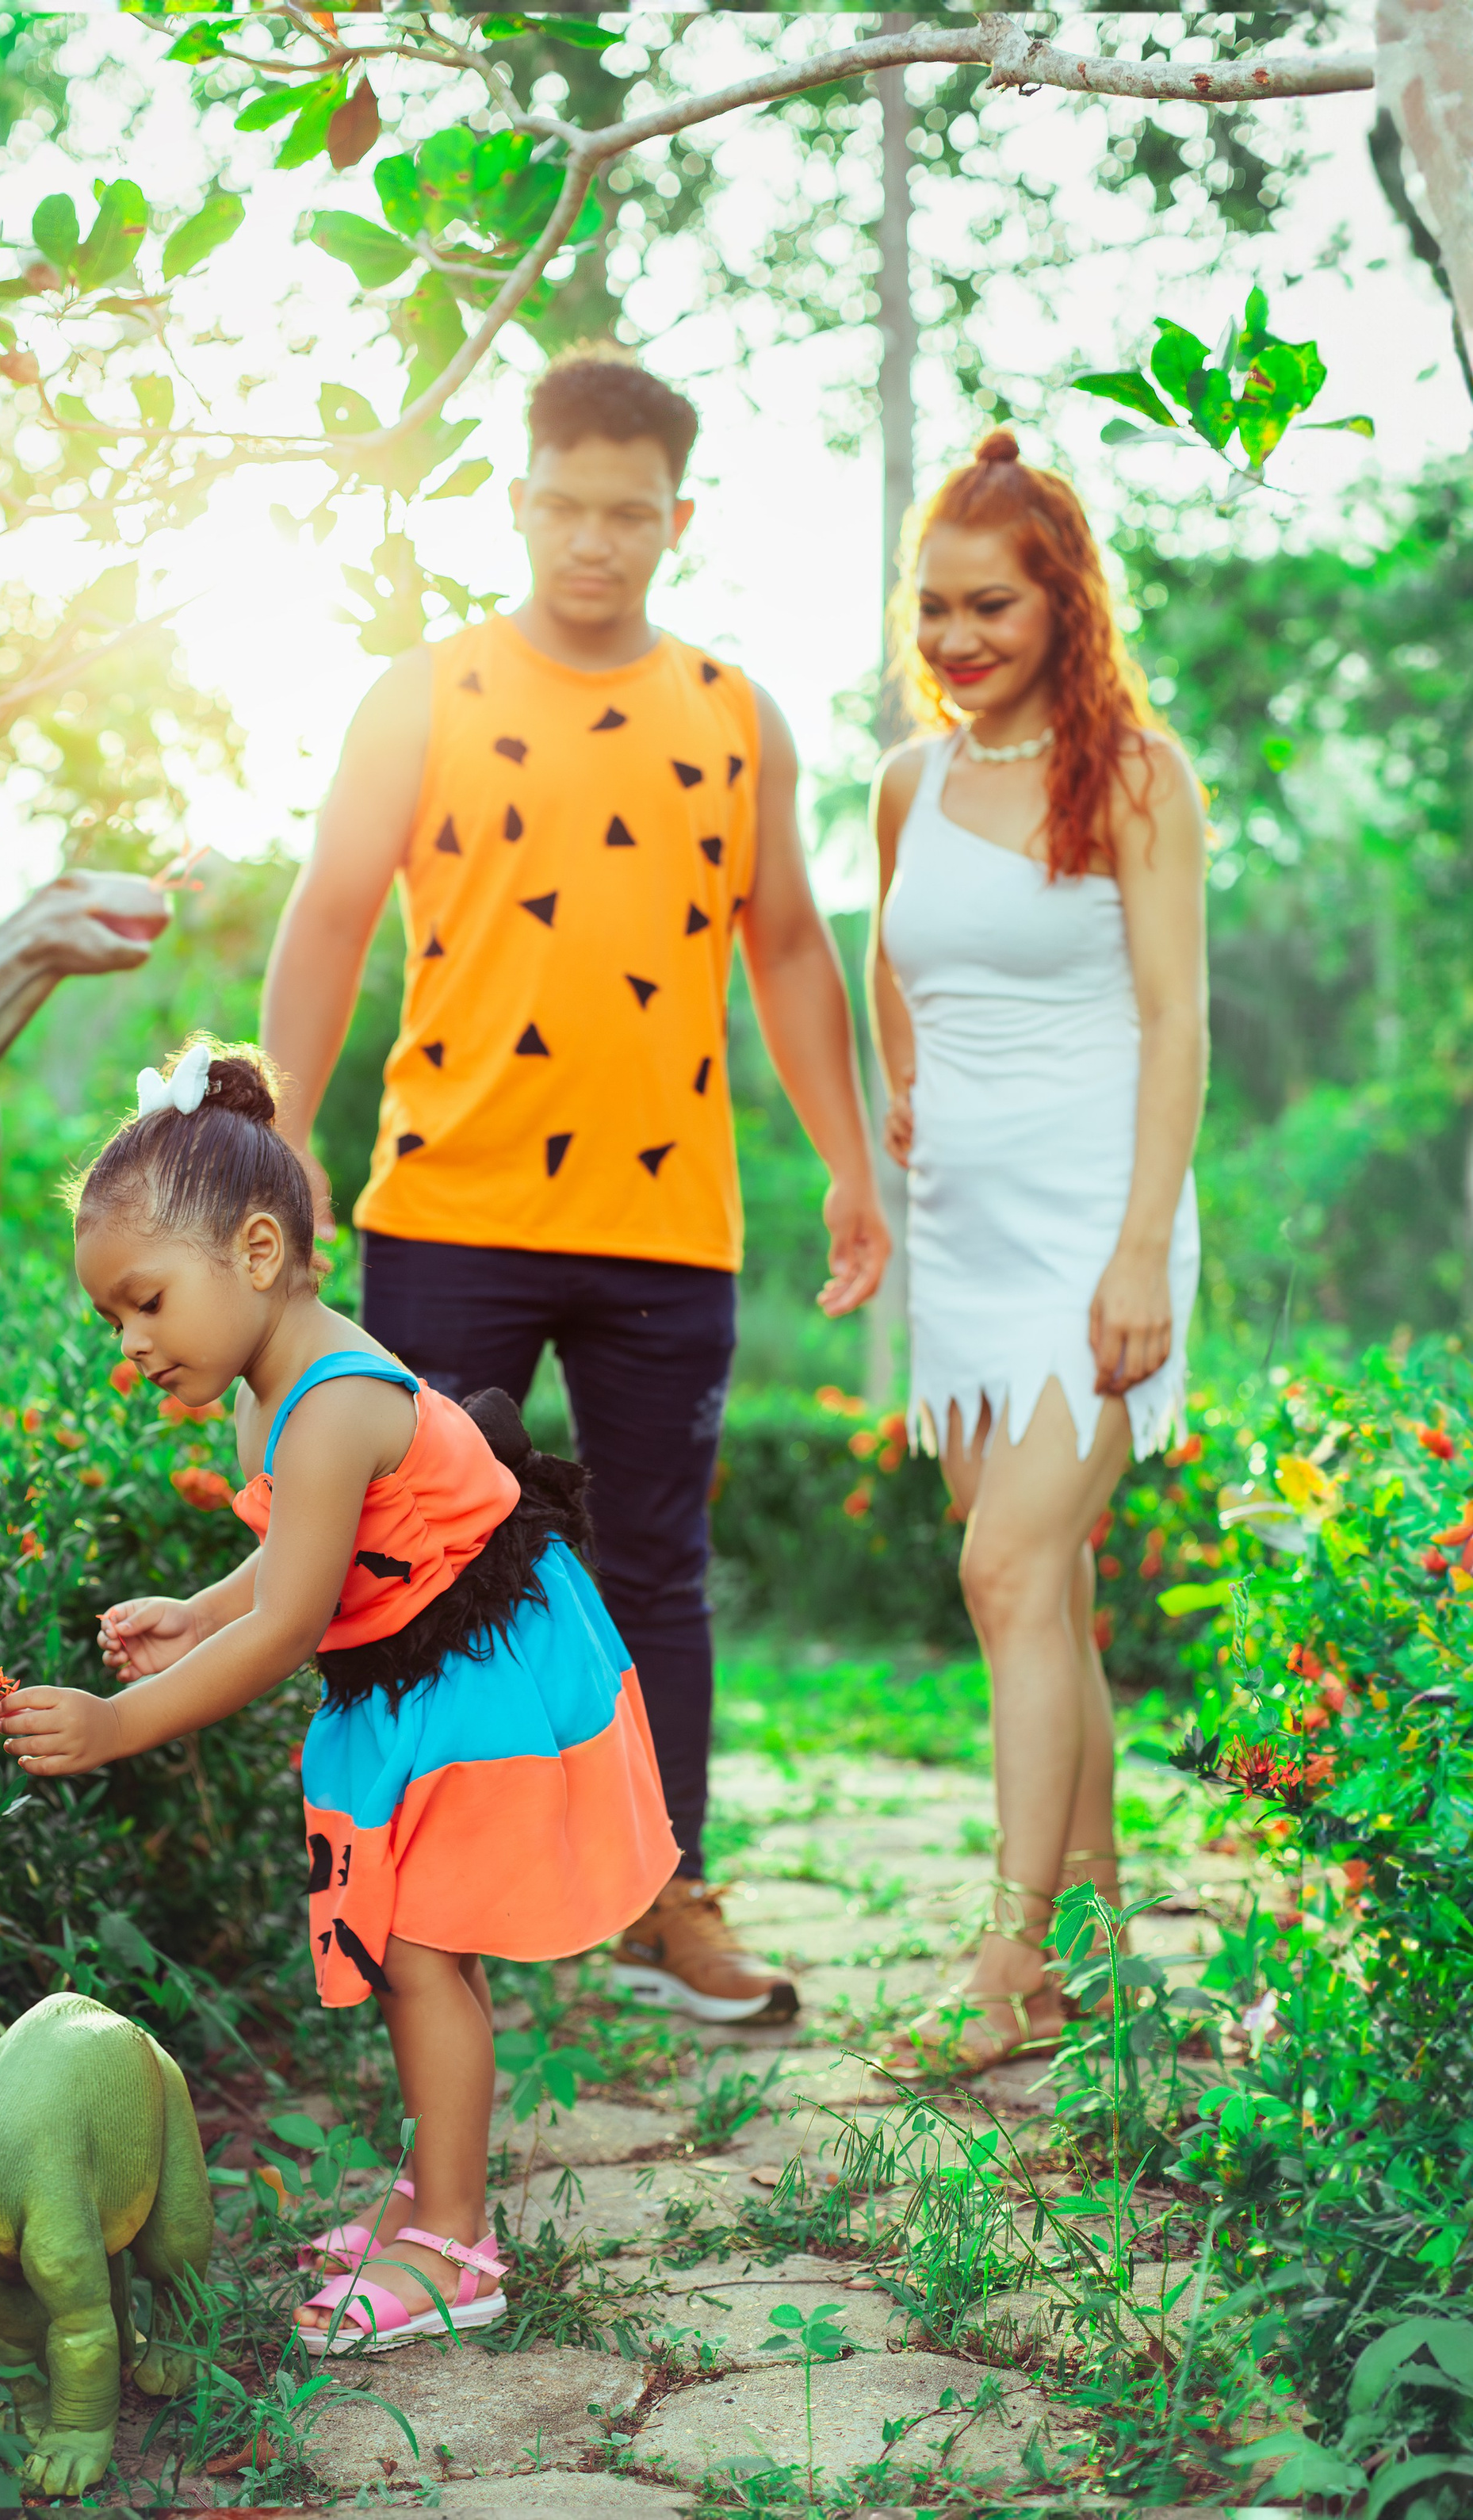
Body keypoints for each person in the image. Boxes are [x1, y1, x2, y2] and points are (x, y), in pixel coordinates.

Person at [259, 352, 889, 2026]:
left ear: (674, 519)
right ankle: (399, 1901)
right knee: (406, 1565)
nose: (595, 539)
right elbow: (327, 913)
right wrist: (275, 1138)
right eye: (566, 505)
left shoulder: (732, 712)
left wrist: (847, 1161)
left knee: (657, 1568)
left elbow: (789, 946)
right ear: (519, 501)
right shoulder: (426, 692)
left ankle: (661, 1896)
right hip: (444, 1203)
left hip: (665, 1223)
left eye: (630, 512)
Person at [0, 1039, 679, 2350]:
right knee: (426, 1948)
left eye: (144, 1301)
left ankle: (458, 2244)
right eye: (113, 1320)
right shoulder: (274, 1389)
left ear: (257, 1253)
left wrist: (119, 1724)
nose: (130, 1345)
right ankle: (434, 2193)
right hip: (419, 1663)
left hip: (480, 1672)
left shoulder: (326, 1401)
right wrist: (201, 1608)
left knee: (424, 1950)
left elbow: (296, 1621)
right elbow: (308, 1553)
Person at [868, 431, 1207, 2074]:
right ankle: (1091, 1951)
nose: (951, 639)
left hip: (1096, 1234)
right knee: (1041, 1598)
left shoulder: (1133, 772)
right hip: (964, 1244)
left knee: (1003, 1568)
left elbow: (1173, 1018)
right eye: (929, 608)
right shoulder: (906, 783)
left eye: (985, 605)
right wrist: (908, 1092)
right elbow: (892, 955)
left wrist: (1140, 1247)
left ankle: (1005, 1959)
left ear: (1059, 601)